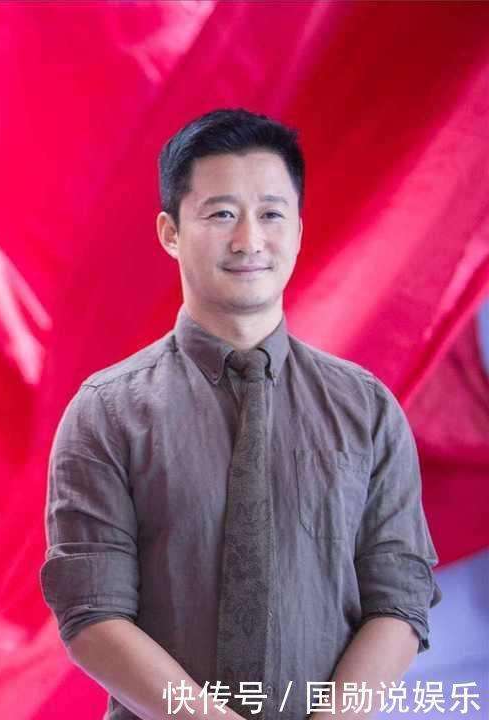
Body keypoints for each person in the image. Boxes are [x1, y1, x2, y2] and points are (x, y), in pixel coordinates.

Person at [40, 109, 440, 720]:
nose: (249, 240)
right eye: (222, 213)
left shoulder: (366, 408)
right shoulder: (107, 412)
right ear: (171, 232)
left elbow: (400, 597)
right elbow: (91, 611)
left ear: (298, 230)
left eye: (271, 214)